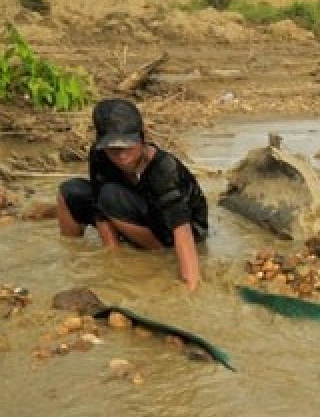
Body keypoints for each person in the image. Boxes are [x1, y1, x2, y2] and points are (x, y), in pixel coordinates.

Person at [57, 98, 208, 291]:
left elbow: (182, 230)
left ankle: (157, 254)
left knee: (110, 195)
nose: (121, 156)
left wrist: (190, 288)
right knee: (70, 191)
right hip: (132, 211)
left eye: (128, 147)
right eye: (113, 149)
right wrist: (114, 261)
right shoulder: (99, 154)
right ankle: (72, 252)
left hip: (180, 229)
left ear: (142, 137)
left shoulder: (163, 170)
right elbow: (99, 209)